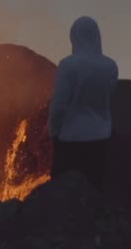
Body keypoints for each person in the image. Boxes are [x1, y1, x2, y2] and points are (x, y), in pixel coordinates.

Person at [48, 16, 119, 193]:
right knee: (94, 191)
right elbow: (106, 99)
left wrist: (54, 132)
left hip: (71, 140)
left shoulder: (68, 65)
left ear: (74, 37)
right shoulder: (111, 66)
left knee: (62, 192)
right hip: (101, 138)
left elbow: (59, 106)